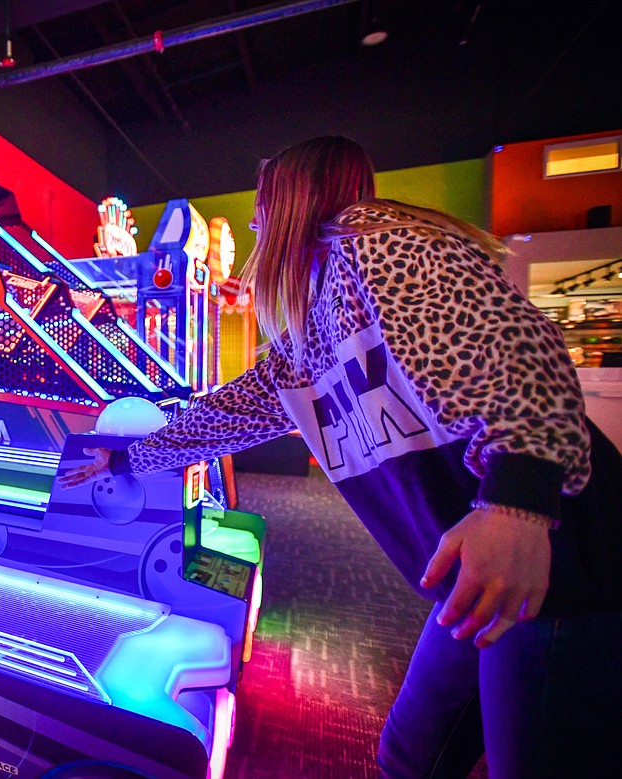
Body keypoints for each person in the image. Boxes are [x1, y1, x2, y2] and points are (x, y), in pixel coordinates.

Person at [60, 136, 622, 778]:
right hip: (473, 580)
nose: (251, 223)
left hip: (561, 573)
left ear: (295, 201)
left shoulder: (373, 243)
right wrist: (129, 460)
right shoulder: (312, 319)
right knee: (408, 756)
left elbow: (520, 347)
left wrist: (517, 502)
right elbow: (233, 412)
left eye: (262, 204)